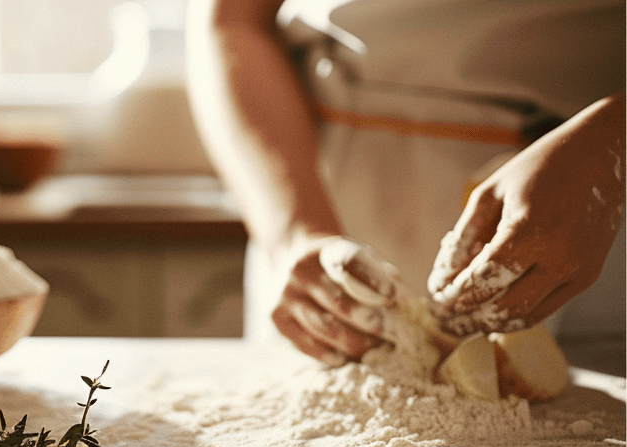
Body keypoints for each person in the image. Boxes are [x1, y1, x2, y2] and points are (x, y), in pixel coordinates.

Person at [185, 0, 625, 364]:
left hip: (605, 212)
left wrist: (613, 141)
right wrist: (295, 233)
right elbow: (231, 19)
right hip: (322, 188)